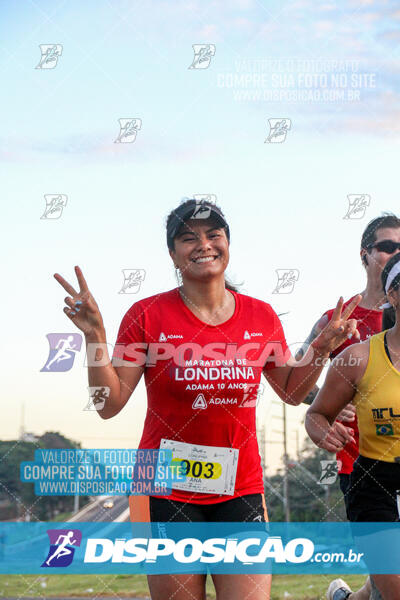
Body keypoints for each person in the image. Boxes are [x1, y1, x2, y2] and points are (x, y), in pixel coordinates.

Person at [54, 198, 360, 600]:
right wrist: (94, 335)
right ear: (172, 253)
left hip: (242, 487)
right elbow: (108, 404)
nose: (203, 245)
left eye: (214, 234)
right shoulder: (146, 314)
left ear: (228, 243)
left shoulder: (261, 316)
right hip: (162, 486)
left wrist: (321, 347)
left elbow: (291, 390)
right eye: (187, 238)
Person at [298, 215, 400, 600]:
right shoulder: (340, 318)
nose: (395, 254)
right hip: (361, 462)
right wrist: (329, 400)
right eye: (387, 247)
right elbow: (296, 377)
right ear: (365, 254)